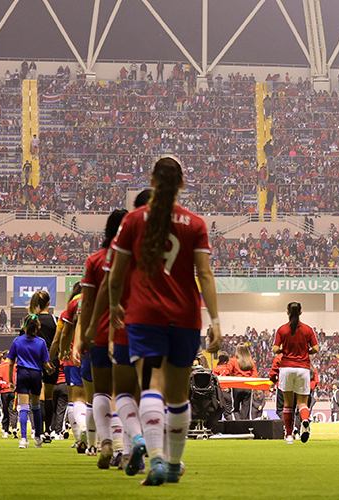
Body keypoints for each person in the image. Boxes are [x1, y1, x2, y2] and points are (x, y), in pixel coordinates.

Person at [108, 156, 222, 485]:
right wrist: (214, 319)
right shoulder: (195, 224)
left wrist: (116, 305)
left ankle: (155, 458)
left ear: (153, 182)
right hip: (185, 317)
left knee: (151, 387)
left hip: (145, 317)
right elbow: (205, 273)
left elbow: (116, 276)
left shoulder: (133, 221)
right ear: (181, 185)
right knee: (178, 396)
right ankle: (173, 464)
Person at [76, 208, 130, 470]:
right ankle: (126, 450)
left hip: (99, 332)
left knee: (100, 391)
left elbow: (87, 304)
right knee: (128, 393)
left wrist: (85, 333)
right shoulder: (136, 259)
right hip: (129, 332)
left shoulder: (95, 260)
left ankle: (105, 441)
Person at [273, 302, 319, 444]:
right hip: (303, 368)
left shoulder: (282, 330)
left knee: (288, 403)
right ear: (300, 312)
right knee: (302, 402)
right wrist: (306, 352)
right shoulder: (307, 329)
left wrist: (282, 350)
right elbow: (316, 348)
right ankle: (304, 421)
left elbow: (275, 349)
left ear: (287, 312)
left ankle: (288, 436)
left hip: (286, 368)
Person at [53, 283, 89, 453]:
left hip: (71, 360)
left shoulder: (68, 310)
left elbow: (60, 335)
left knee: (75, 400)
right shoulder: (95, 301)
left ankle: (79, 435)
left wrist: (62, 352)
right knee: (98, 397)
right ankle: (98, 438)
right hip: (94, 353)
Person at [9, 314, 53, 449]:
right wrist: (50, 370)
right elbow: (45, 363)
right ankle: (38, 438)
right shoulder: (41, 342)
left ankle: (23, 439)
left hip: (22, 374)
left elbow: (11, 362)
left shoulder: (17, 341)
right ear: (38, 327)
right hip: (35, 374)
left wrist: (10, 380)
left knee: (23, 407)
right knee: (36, 407)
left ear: (24, 326)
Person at [26, 291, 59, 442]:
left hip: (35, 360)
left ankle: (38, 431)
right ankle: (48, 431)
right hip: (52, 360)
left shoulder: (32, 319)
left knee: (39, 397)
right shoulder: (55, 319)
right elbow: (58, 340)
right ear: (48, 303)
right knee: (50, 397)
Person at [228, 345, 258, 420]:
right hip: (247, 387)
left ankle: (239, 426)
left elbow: (227, 373)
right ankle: (245, 427)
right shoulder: (251, 362)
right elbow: (255, 376)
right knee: (246, 410)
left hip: (236, 387)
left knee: (236, 409)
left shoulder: (233, 361)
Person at [0, 352, 18, 437]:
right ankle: (15, 428)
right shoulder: (15, 366)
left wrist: (5, 385)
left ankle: (5, 430)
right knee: (13, 410)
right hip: (14, 391)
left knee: (5, 410)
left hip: (4, 392)